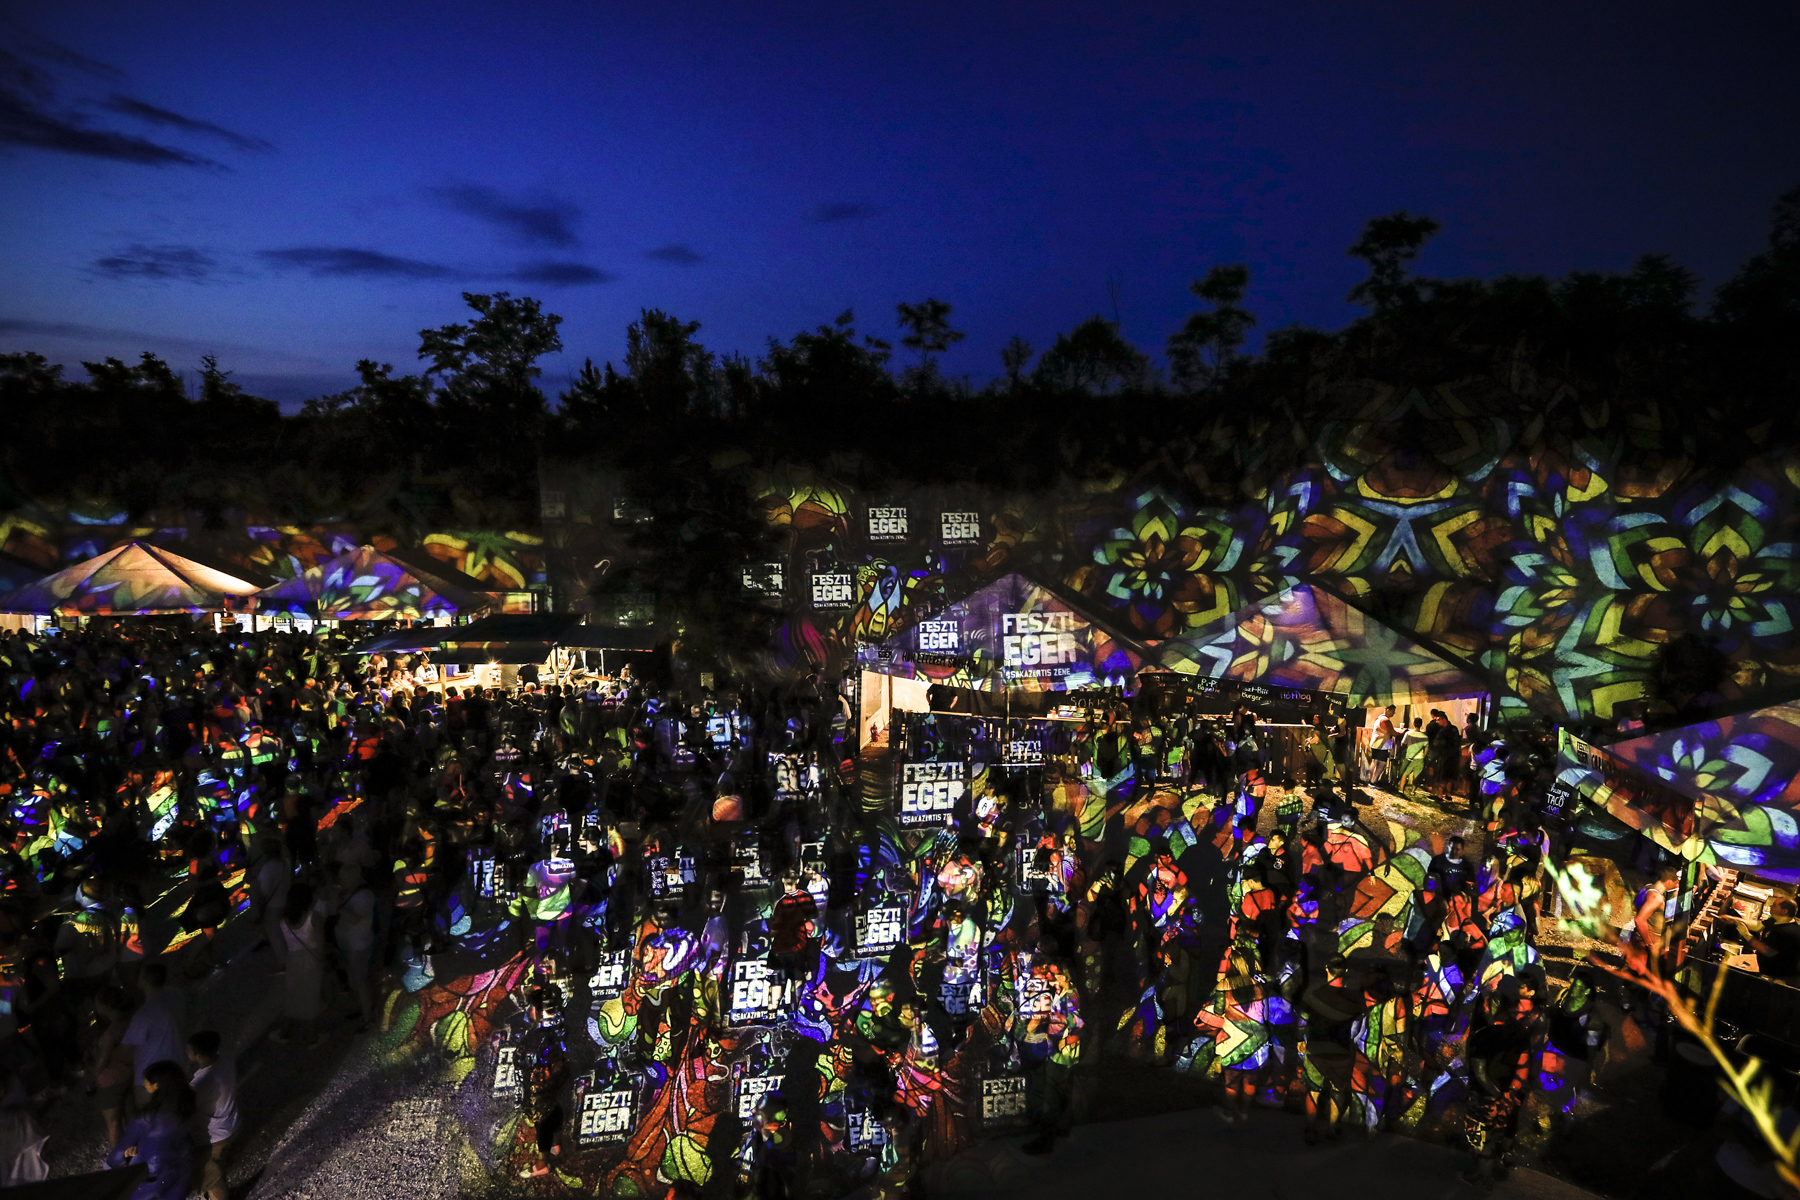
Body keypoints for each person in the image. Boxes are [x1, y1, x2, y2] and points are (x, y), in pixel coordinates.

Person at [106, 1060, 195, 1200]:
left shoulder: (147, 1119)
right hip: (181, 1174)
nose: (143, 1083)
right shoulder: (187, 1105)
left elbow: (117, 1155)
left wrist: (112, 1165)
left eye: (146, 1081)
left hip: (152, 1180)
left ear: (157, 1086)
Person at [122, 963, 187, 1108]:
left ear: (144, 981)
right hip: (177, 1066)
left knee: (149, 1113)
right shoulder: (176, 995)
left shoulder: (144, 1014)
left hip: (151, 1075)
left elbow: (126, 1048)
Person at [274, 882, 329, 1046]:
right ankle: (312, 1037)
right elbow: (320, 944)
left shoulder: (283, 919)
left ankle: (284, 1032)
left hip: (293, 959)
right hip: (311, 960)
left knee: (292, 996)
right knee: (311, 997)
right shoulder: (314, 917)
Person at [188, 1031, 237, 1200]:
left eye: (188, 1050)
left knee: (212, 1179)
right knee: (217, 1167)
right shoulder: (227, 1058)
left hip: (214, 1137)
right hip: (230, 1123)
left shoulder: (199, 1085)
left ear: (197, 1053)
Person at [87, 985, 138, 1147]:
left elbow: (101, 1065)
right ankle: (137, 1148)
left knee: (113, 1123)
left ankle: (120, 1156)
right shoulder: (131, 1021)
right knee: (131, 1113)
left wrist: (91, 1070)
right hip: (129, 1074)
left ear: (105, 1006)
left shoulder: (111, 1033)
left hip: (110, 1082)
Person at [1369, 706, 1397, 788]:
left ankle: (1370, 779)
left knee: (1375, 762)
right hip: (1382, 744)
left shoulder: (1379, 719)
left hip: (1376, 743)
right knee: (1382, 763)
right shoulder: (1386, 720)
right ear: (1387, 710)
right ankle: (1373, 781)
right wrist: (1402, 732)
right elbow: (1392, 732)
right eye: (1393, 711)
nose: (1394, 713)